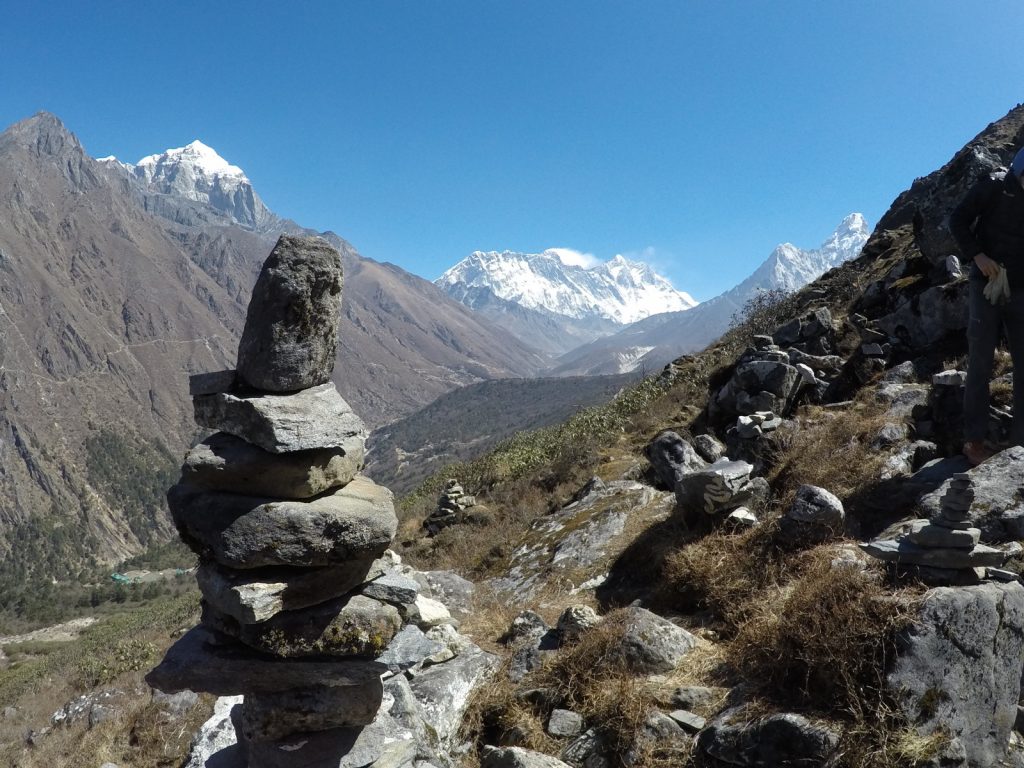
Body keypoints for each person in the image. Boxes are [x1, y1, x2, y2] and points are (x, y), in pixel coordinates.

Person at [949, 146, 1024, 465]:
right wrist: (977, 256)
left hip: (1021, 288)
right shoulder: (993, 186)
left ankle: (1019, 441)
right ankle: (974, 441)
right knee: (981, 361)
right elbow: (957, 220)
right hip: (985, 285)